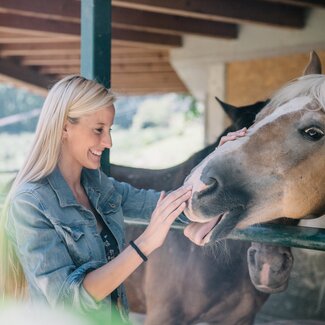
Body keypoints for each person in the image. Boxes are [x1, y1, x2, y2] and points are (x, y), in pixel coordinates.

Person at [0, 75, 247, 323]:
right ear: (65, 126)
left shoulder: (99, 187)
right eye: (98, 130)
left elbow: (172, 207)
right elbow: (69, 301)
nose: (108, 142)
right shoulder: (29, 203)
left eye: (109, 130)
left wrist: (218, 161)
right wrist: (146, 243)